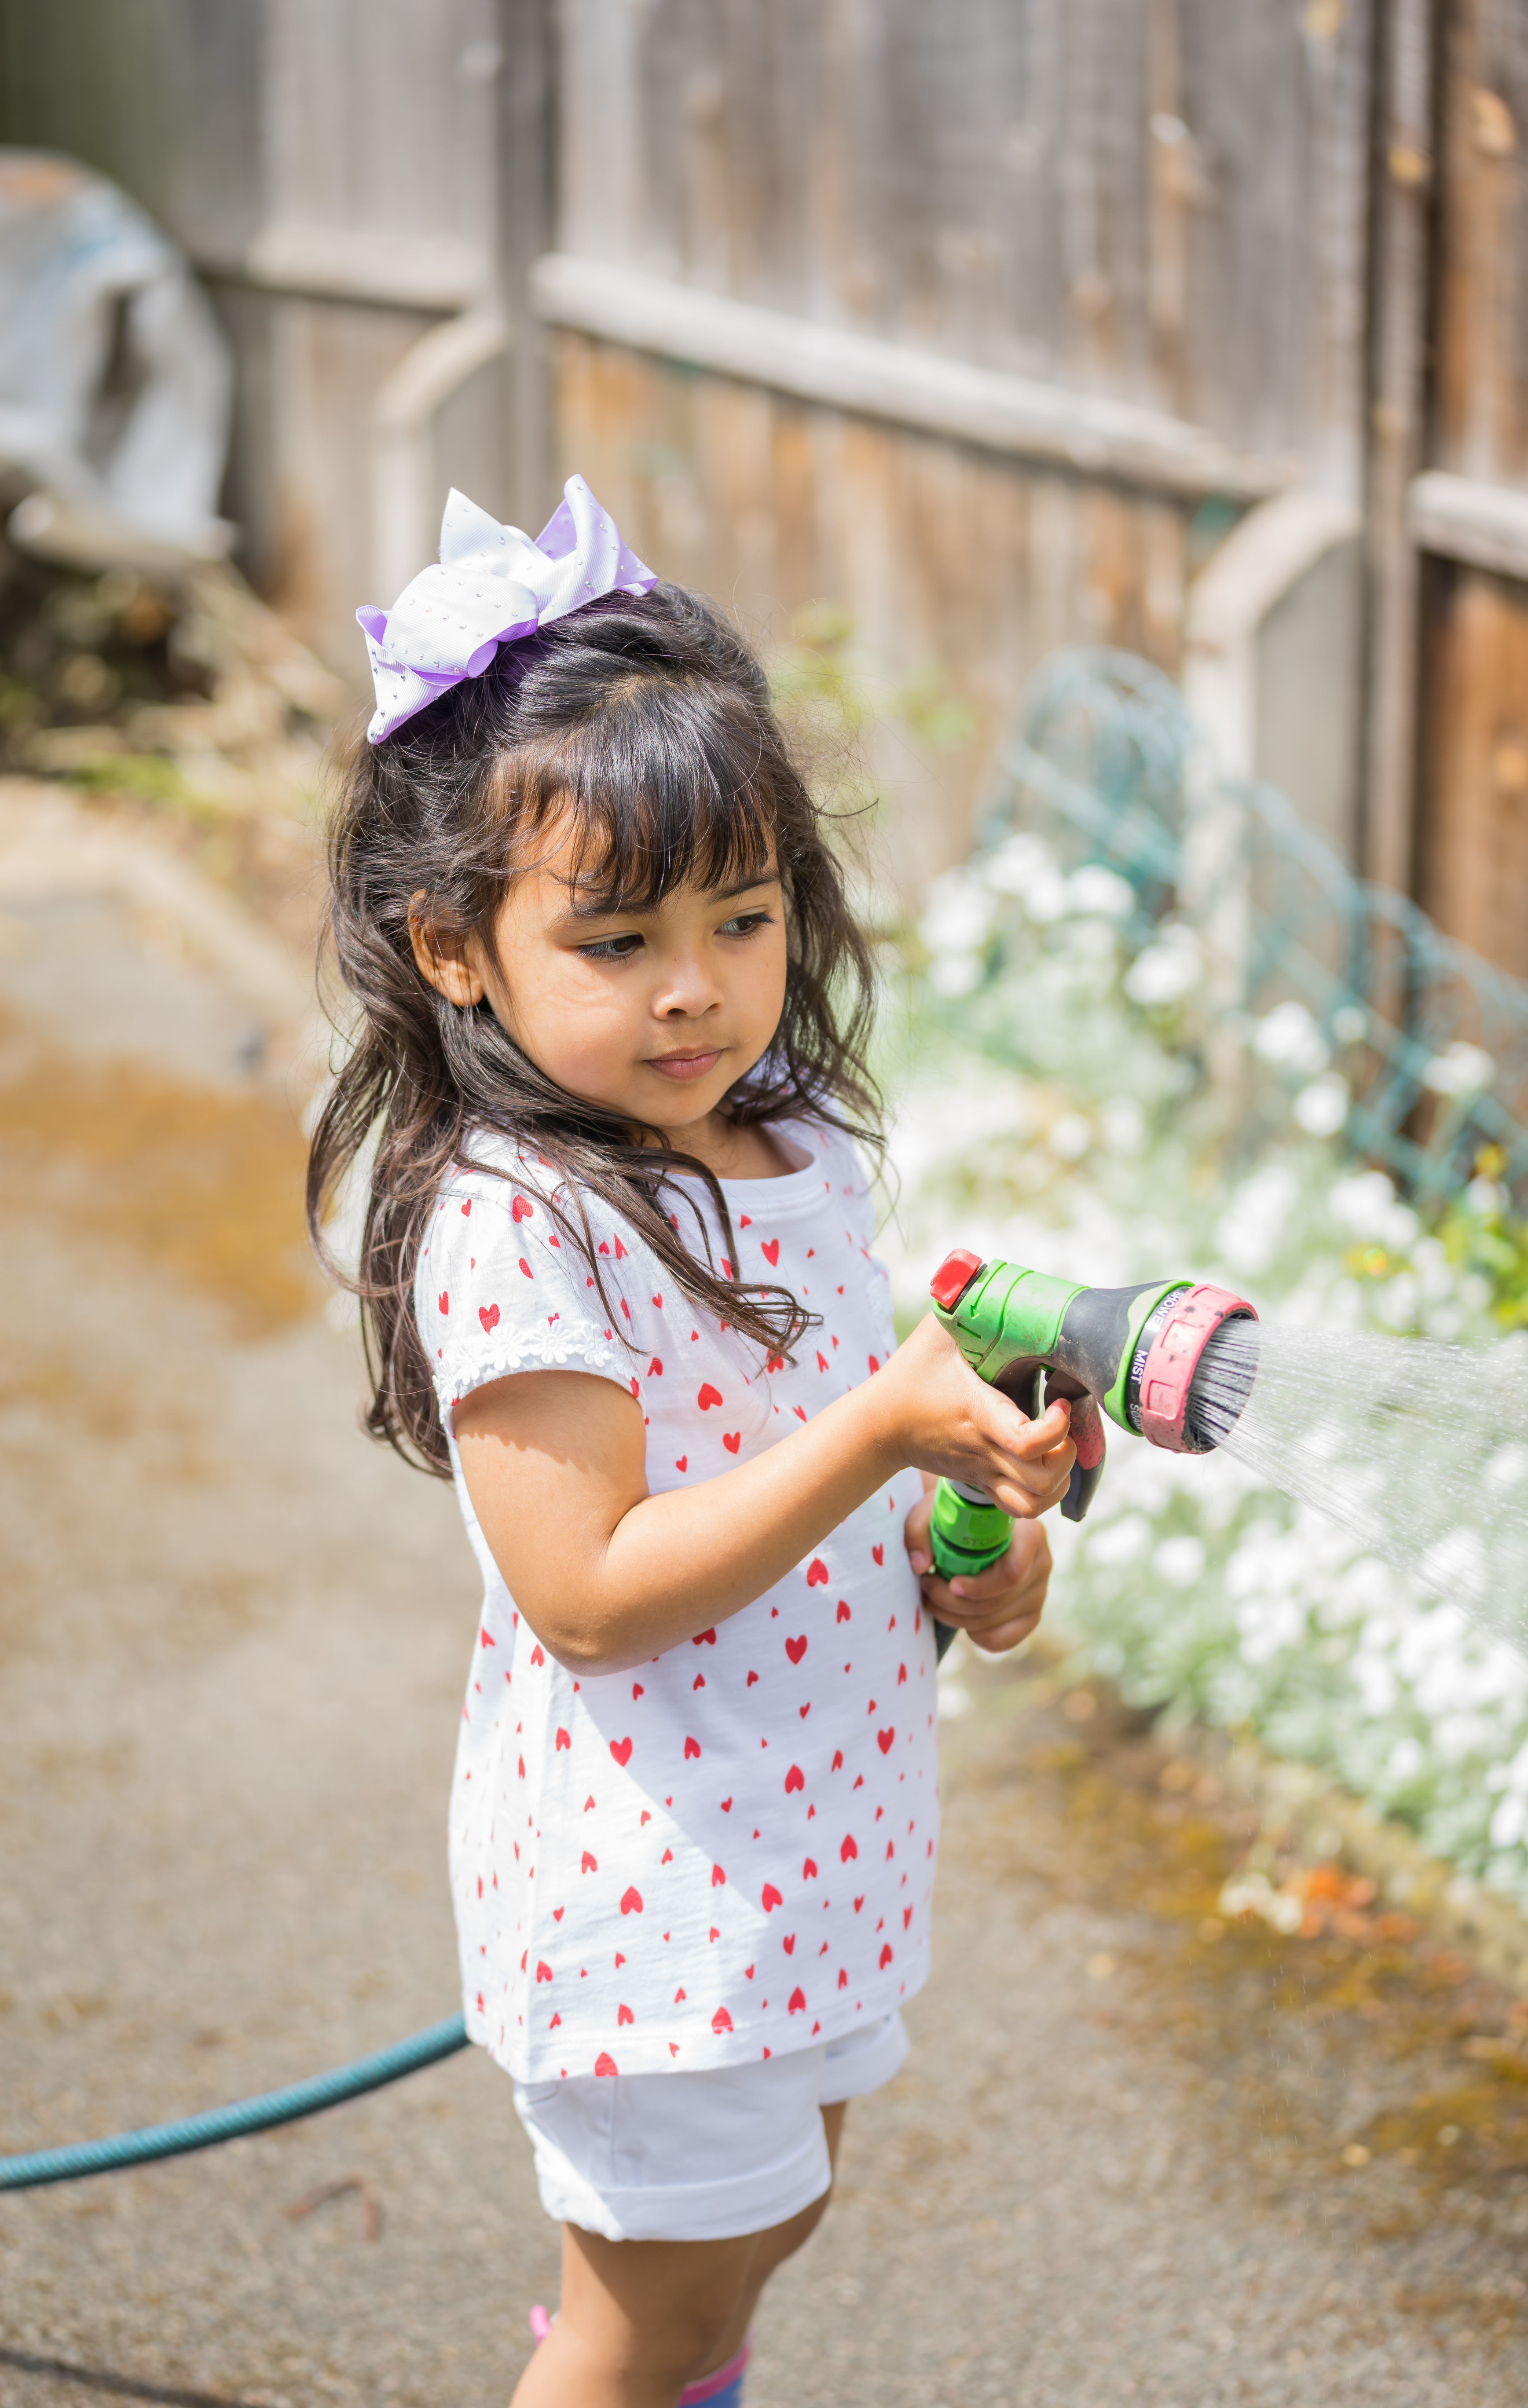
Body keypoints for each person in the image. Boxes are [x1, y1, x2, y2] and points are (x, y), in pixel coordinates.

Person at [309, 478, 1075, 2408]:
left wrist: (961, 1548)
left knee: (759, 2234)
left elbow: (818, 1465)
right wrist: (882, 1426)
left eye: (742, 918)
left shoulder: (786, 1130)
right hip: (654, 1887)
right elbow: (585, 1591)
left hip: (819, 1838)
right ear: (457, 948)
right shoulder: (520, 1216)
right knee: (645, 2312)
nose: (696, 985)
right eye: (619, 938)